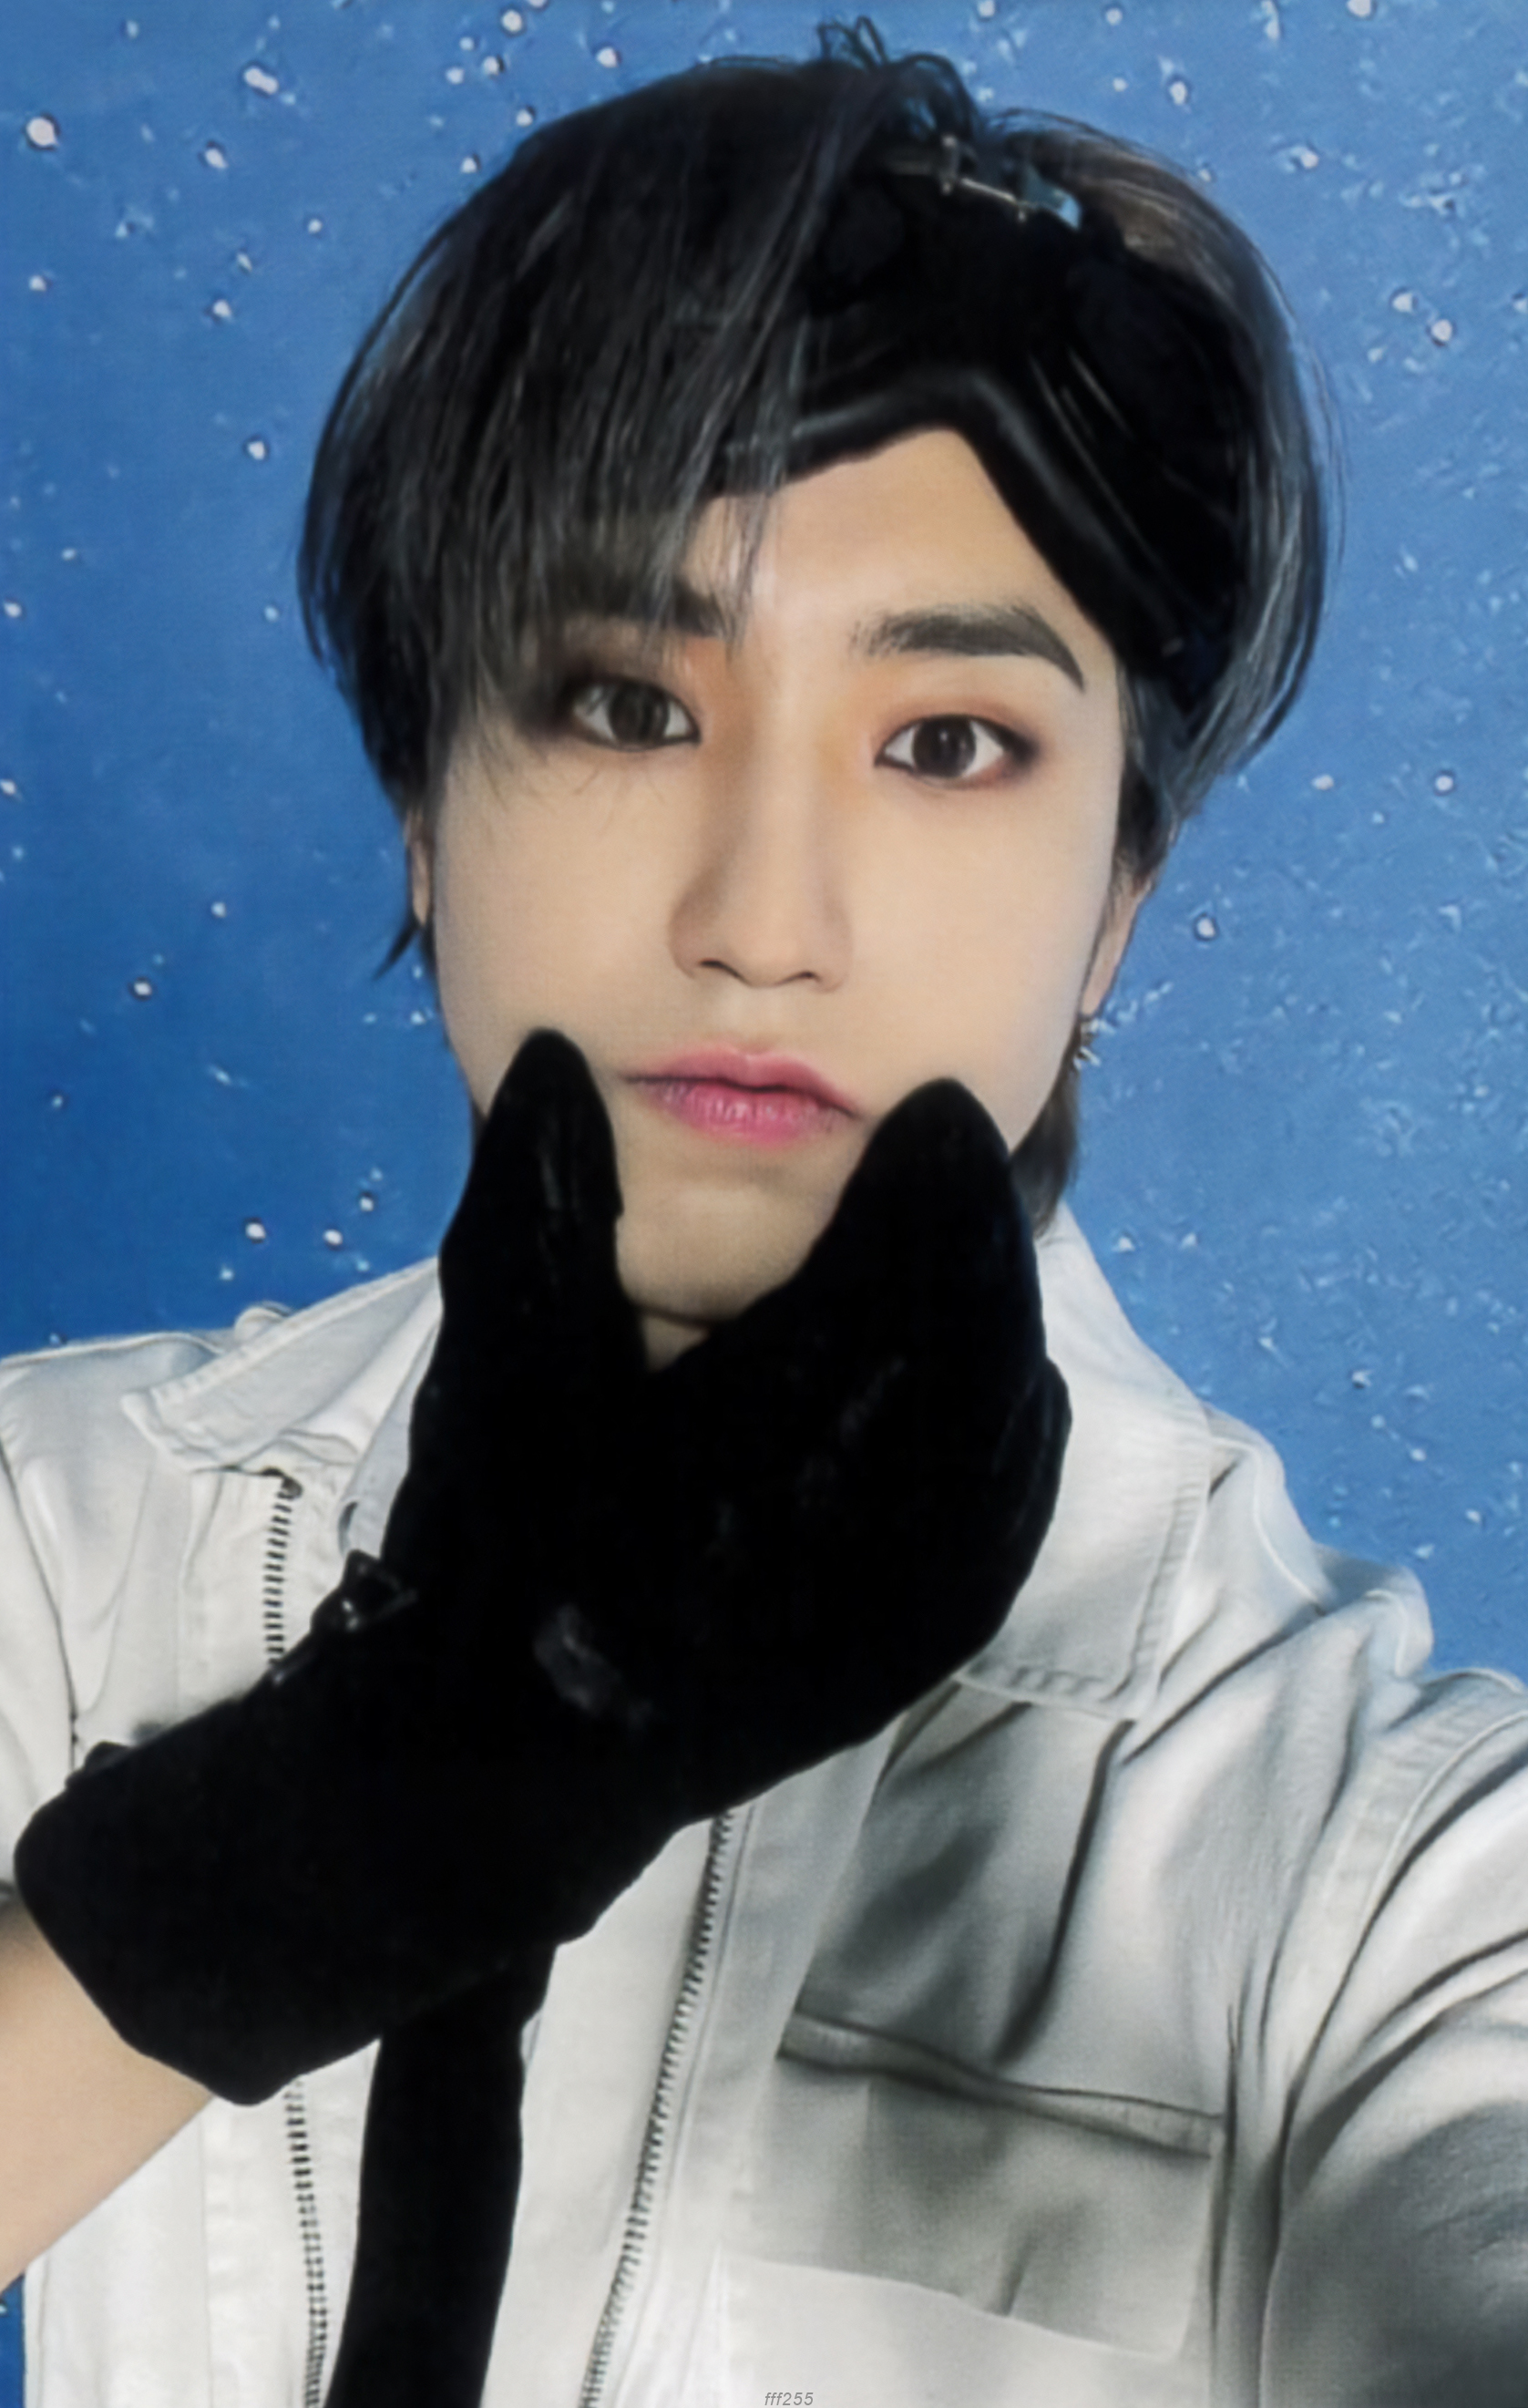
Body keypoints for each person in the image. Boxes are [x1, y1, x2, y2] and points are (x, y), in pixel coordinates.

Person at [1, 21, 1525, 2407]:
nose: (761, 918)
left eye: (948, 742)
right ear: (423, 804)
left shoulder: (1382, 1854)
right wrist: (280, 1861)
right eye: (626, 701)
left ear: (1118, 899)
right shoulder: (53, 1539)